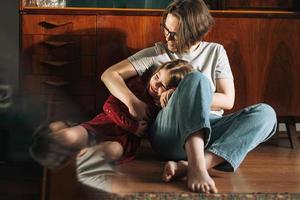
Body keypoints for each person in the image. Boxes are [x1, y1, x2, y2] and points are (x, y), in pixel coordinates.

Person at [101, 0, 277, 194]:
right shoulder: (156, 53)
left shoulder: (215, 52)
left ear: (195, 34)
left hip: (211, 127)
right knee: (196, 79)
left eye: (175, 34)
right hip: (169, 132)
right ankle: (198, 168)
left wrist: (185, 93)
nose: (167, 37)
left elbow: (228, 100)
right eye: (165, 29)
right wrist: (132, 102)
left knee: (266, 114)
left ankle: (192, 165)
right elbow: (109, 75)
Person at [29, 59, 194, 192]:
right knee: (68, 136)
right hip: (103, 124)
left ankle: (84, 159)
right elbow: (109, 106)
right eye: (157, 78)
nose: (155, 85)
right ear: (155, 72)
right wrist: (132, 125)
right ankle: (48, 139)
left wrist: (169, 99)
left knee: (112, 150)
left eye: (163, 87)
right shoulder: (136, 85)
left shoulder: (162, 105)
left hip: (124, 140)